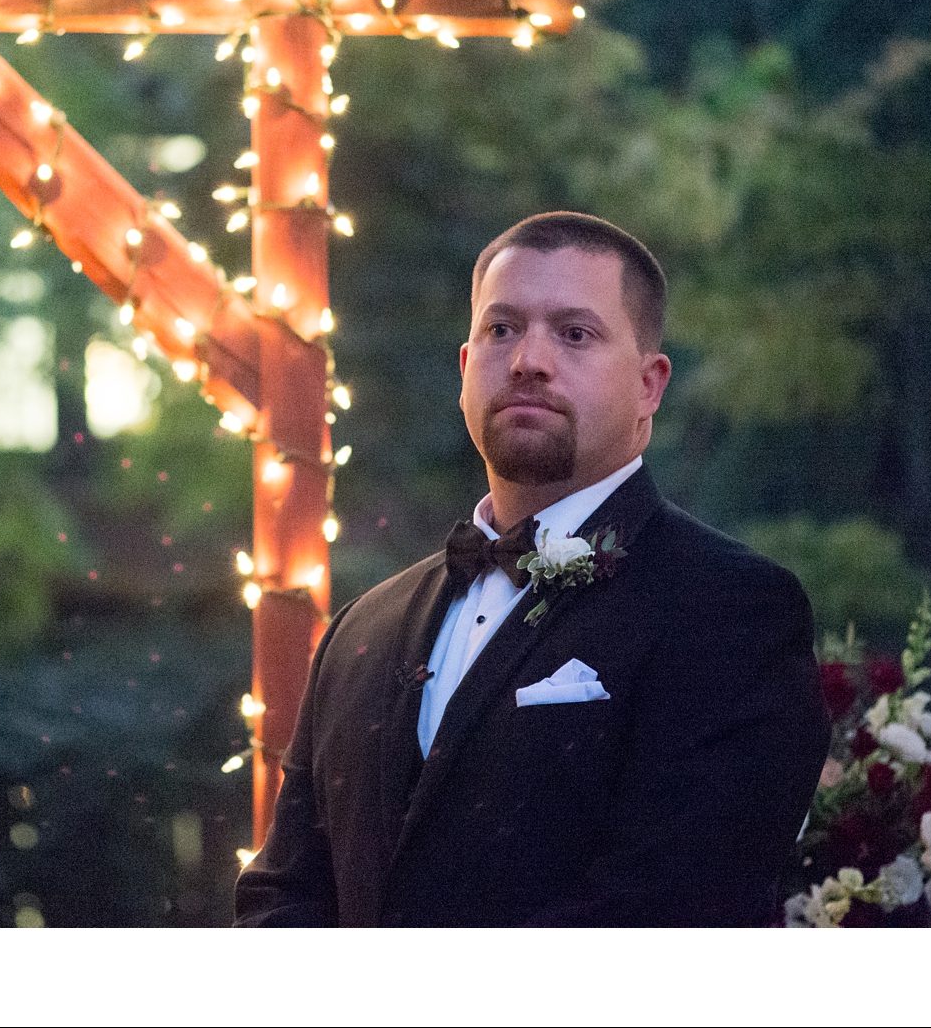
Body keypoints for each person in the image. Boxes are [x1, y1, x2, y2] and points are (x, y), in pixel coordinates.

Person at [235, 212, 829, 926]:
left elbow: (673, 912)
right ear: (464, 370)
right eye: (502, 329)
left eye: (574, 333)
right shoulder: (362, 628)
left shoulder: (731, 610)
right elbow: (283, 897)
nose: (528, 360)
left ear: (649, 384)